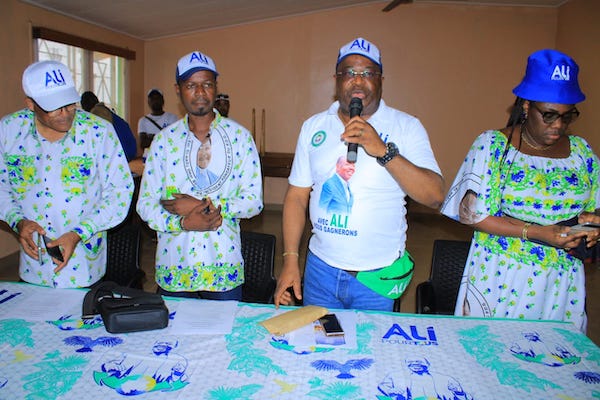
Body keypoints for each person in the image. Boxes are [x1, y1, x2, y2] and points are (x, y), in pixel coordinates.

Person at [274, 38, 444, 311]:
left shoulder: (407, 127)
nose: (358, 80)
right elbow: (296, 196)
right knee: (318, 337)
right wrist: (290, 260)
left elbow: (434, 195)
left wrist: (383, 151)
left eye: (368, 73)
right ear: (336, 80)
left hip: (376, 277)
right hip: (320, 270)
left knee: (372, 340)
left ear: (381, 80)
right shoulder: (313, 126)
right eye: (350, 72)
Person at [440, 49, 600, 332]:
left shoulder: (581, 152)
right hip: (503, 277)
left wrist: (592, 223)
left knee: (554, 355)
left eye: (567, 116)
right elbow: (473, 215)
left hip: (560, 281)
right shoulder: (493, 146)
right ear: (526, 106)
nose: (558, 126)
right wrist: (538, 232)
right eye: (549, 115)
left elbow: (594, 206)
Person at [136, 50, 263, 300]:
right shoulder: (163, 142)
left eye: (207, 84)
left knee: (224, 326)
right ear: (178, 89)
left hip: (222, 268)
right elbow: (146, 204)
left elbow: (253, 201)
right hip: (175, 268)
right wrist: (183, 223)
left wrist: (203, 206)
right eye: (191, 85)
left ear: (215, 87)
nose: (200, 92)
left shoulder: (239, 138)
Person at [0, 60, 134, 288]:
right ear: (30, 104)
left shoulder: (98, 132)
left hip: (83, 266)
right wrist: (18, 221)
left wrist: (79, 233)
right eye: (54, 107)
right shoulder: (9, 131)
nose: (65, 113)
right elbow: (2, 187)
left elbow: (120, 193)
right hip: (34, 268)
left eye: (69, 104)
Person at [80, 91, 137, 162]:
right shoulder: (104, 110)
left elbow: (102, 138)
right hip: (127, 148)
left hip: (121, 150)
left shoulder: (98, 112)